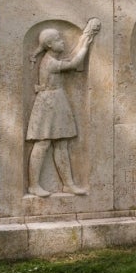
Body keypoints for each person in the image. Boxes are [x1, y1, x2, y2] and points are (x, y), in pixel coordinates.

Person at [26, 19, 100, 197]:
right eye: (59, 40)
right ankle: (33, 185)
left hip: (57, 101)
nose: (63, 42)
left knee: (62, 144)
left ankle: (68, 184)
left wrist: (84, 39)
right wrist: (85, 46)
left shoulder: (52, 58)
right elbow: (74, 64)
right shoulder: (49, 61)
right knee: (42, 143)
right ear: (50, 45)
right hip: (48, 103)